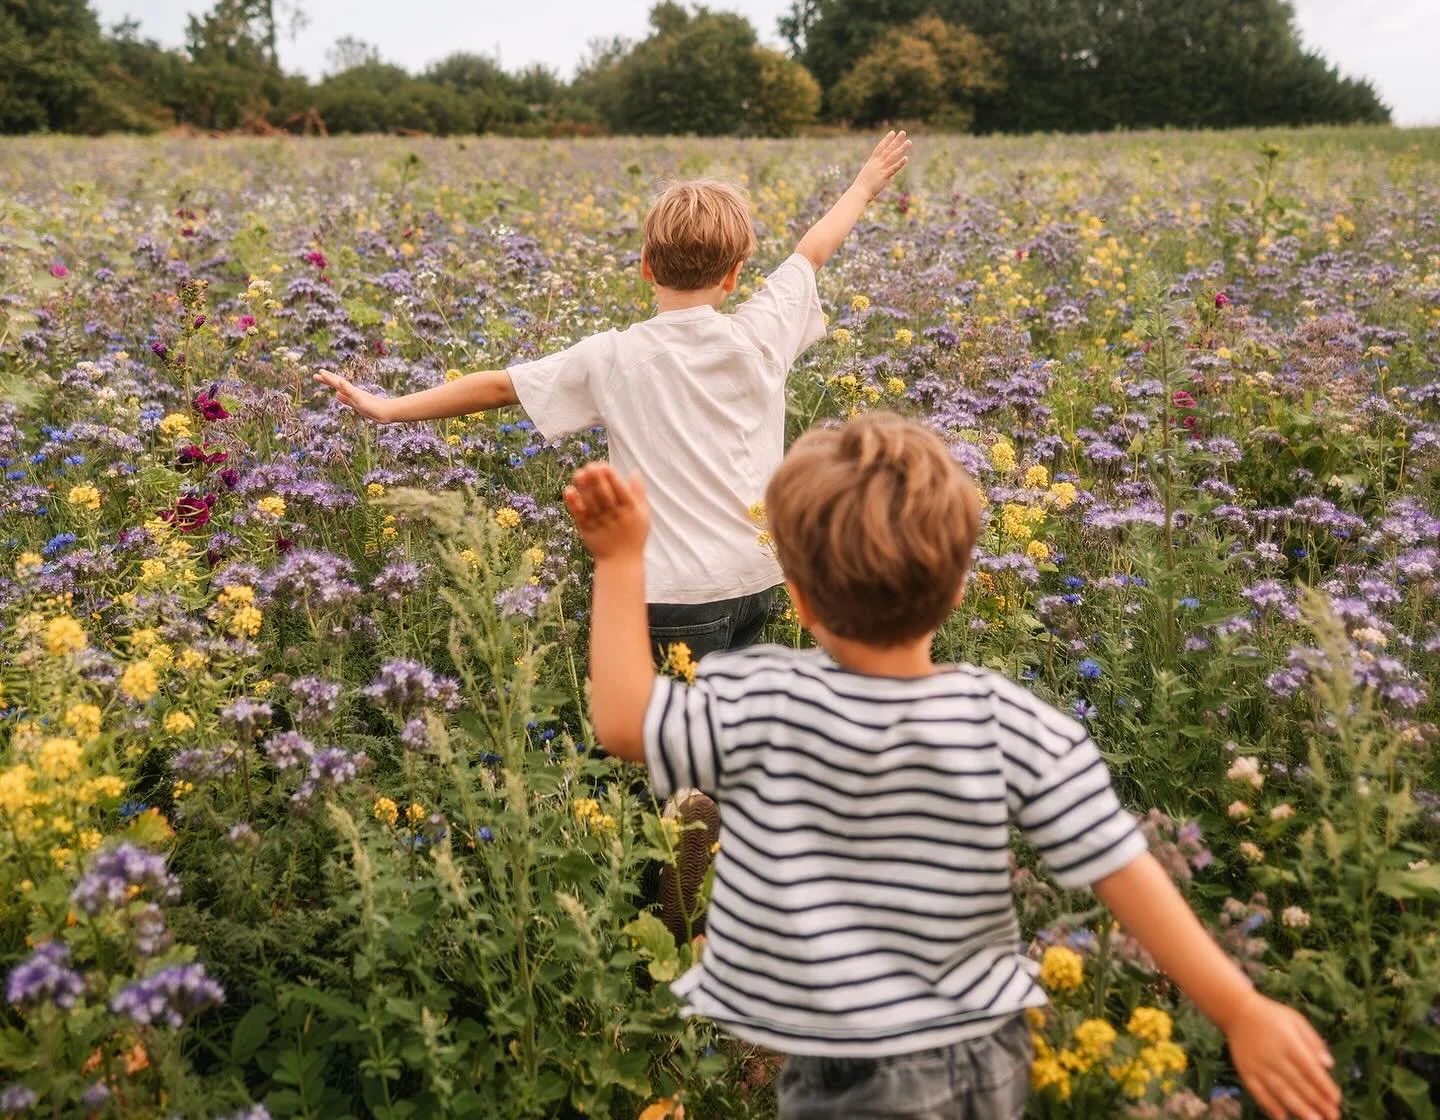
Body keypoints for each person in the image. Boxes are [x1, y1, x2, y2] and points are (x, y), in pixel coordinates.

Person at [562, 413, 1342, 1120]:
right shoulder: (1011, 721)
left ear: (797, 598)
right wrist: (1240, 1010)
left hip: (851, 1072)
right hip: (985, 1052)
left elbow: (623, 720)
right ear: (962, 586)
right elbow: (1123, 869)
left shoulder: (765, 700)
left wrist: (622, 559)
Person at [314, 130, 911, 661]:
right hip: (757, 577)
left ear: (646, 266)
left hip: (670, 593)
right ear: (733, 276)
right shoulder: (761, 335)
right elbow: (812, 251)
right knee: (725, 735)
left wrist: (387, 407)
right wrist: (863, 185)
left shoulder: (612, 357)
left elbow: (500, 387)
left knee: (670, 750)